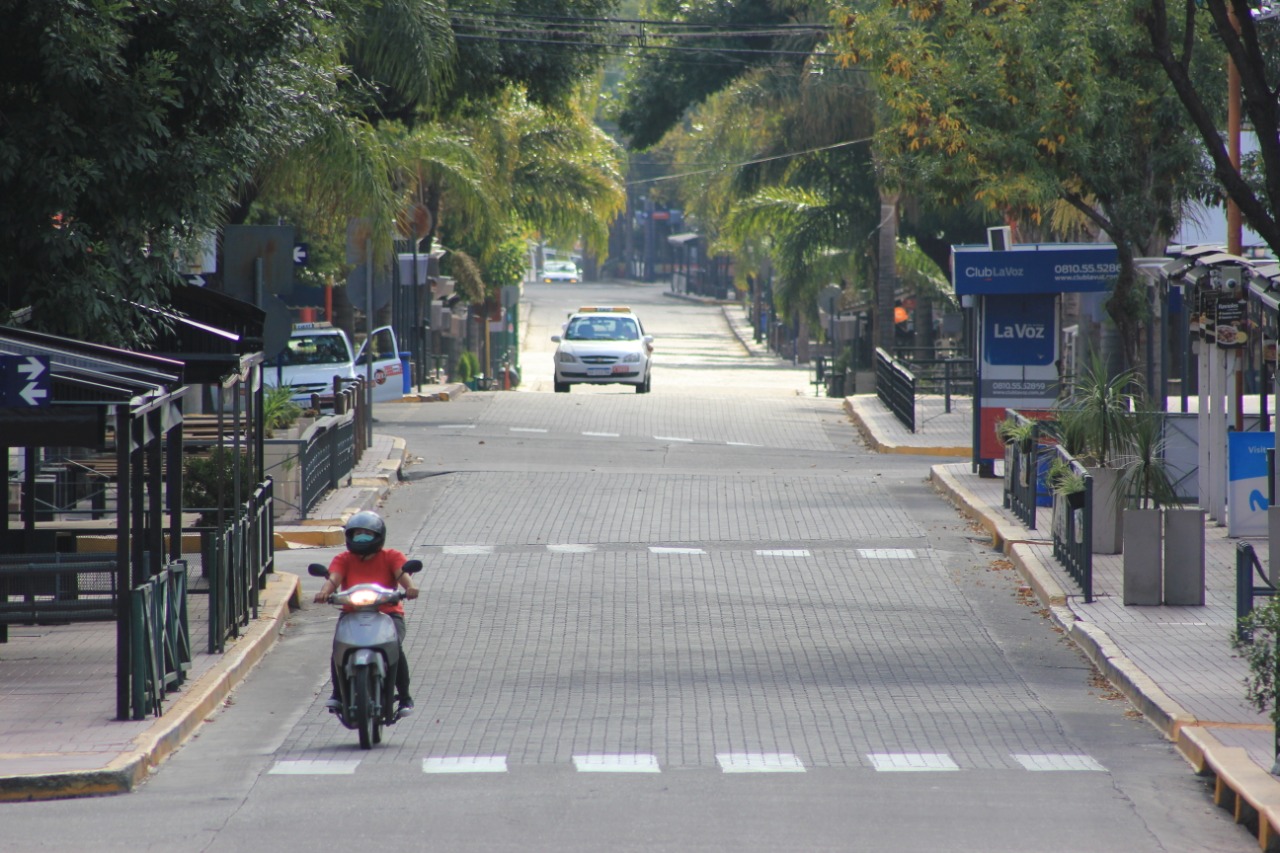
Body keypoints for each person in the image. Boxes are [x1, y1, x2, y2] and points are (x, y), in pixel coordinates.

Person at [314, 510, 419, 717]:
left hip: (388, 614)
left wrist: (410, 588)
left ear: (378, 536)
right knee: (339, 648)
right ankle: (337, 694)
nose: (362, 538)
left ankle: (405, 697)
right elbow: (333, 579)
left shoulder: (392, 556)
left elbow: (402, 575)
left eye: (367, 534)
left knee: (395, 647)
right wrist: (325, 592)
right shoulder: (343, 559)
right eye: (357, 534)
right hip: (352, 614)